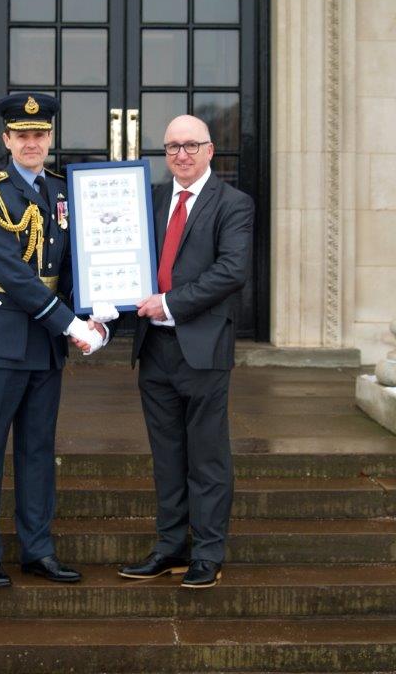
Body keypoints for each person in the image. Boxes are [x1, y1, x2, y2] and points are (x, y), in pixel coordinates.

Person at [0, 92, 105, 588]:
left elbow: (70, 266)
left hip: (43, 345)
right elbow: (13, 274)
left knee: (38, 449)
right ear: (6, 139)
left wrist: (96, 312)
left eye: (40, 134)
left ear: (50, 138)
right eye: (22, 135)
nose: (32, 142)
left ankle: (37, 549)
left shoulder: (61, 192)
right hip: (0, 339)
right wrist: (70, 324)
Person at [118, 114, 254, 589]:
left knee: (208, 457)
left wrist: (170, 303)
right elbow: (125, 259)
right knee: (167, 455)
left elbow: (231, 270)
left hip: (203, 348)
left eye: (191, 145)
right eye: (172, 146)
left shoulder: (233, 204)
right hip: (154, 348)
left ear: (210, 150)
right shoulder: (152, 200)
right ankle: (170, 547)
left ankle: (208, 552)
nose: (181, 154)